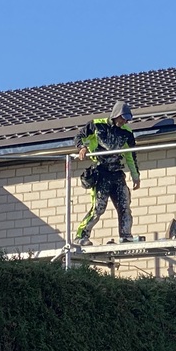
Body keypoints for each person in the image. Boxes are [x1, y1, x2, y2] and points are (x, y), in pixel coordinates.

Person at [73, 100, 141, 245]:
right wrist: (82, 148)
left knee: (124, 205)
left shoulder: (127, 132)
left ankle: (126, 236)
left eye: (127, 119)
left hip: (117, 173)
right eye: (123, 118)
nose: (124, 122)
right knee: (98, 208)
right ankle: (81, 236)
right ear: (116, 115)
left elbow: (130, 155)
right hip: (101, 171)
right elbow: (79, 136)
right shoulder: (97, 125)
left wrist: (135, 176)